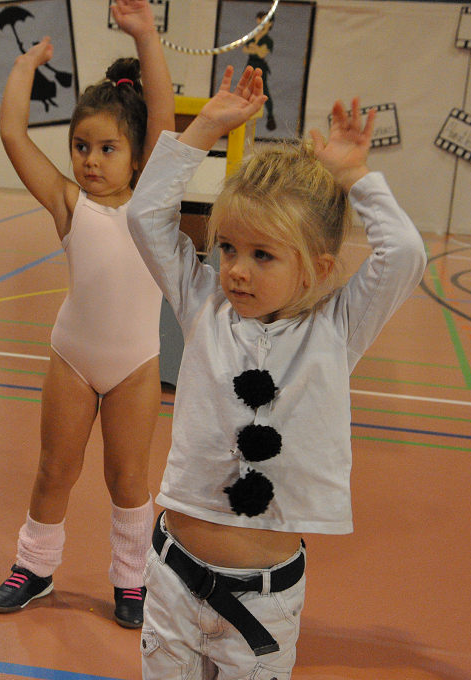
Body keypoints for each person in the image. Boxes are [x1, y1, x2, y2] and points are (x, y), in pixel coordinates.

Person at [127, 67, 427, 677]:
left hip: (265, 603)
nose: (237, 269)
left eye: (263, 255)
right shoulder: (202, 303)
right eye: (229, 248)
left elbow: (404, 254)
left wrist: (355, 176)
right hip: (173, 580)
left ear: (317, 267)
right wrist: (204, 127)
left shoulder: (337, 329)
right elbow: (145, 215)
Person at [0, 0, 174, 628]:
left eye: (107, 148)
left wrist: (145, 35)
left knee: (128, 479)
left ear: (139, 155)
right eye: (80, 146)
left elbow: (164, 118)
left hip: (135, 366)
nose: (90, 160)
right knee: (54, 470)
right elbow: (13, 135)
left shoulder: (153, 204)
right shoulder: (69, 203)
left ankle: (132, 579)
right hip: (73, 357)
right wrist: (23, 70)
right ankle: (34, 567)